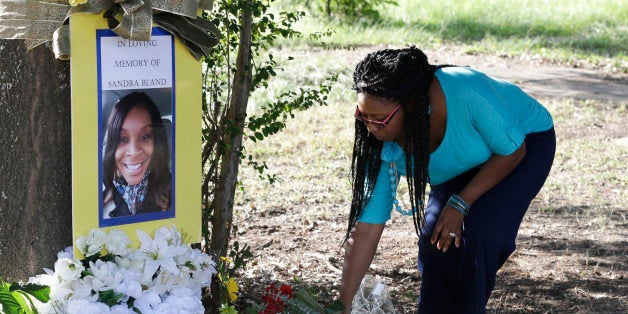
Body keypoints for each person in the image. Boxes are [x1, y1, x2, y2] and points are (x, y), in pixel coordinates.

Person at [339, 46, 555, 313]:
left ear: (412, 105)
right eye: (363, 116)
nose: (370, 127)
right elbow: (367, 230)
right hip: (466, 159)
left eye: (380, 119)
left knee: (478, 234)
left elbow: (513, 150)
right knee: (436, 237)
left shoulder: (465, 91)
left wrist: (460, 203)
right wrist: (342, 306)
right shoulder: (381, 145)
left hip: (521, 144)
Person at [102, 92, 171, 218]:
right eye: (122, 139)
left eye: (145, 137)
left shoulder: (176, 191)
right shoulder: (100, 200)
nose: (133, 151)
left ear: (157, 141)